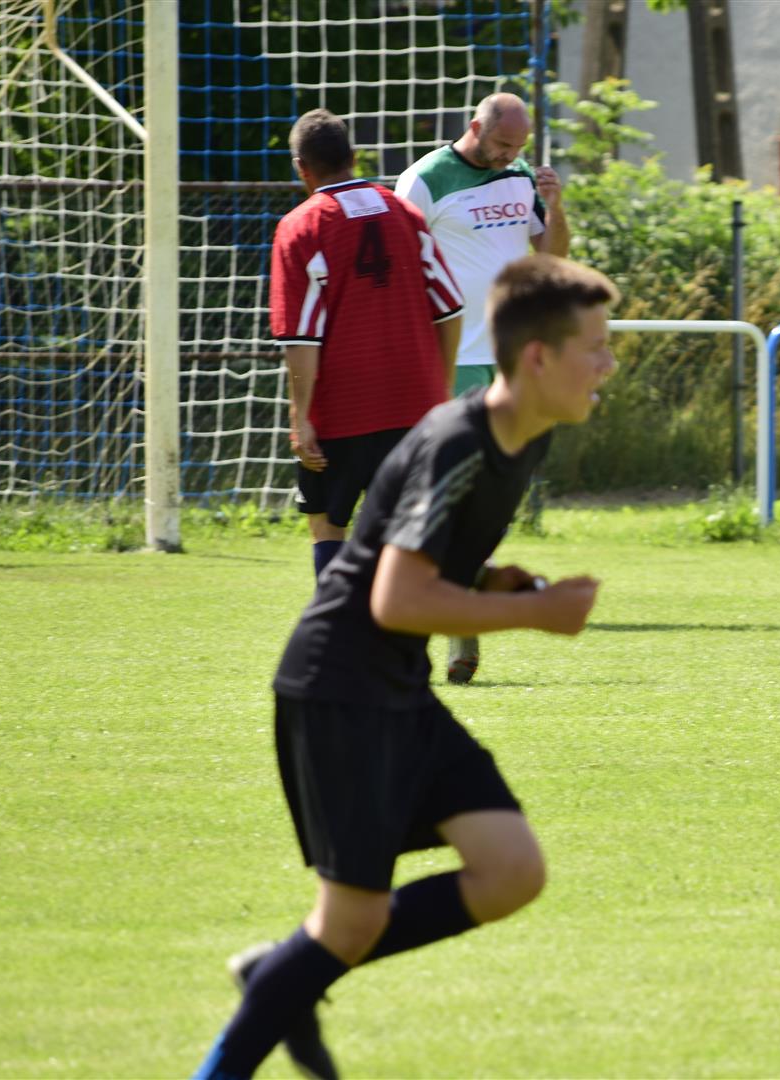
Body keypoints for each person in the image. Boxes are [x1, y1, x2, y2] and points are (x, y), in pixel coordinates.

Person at [194, 254, 619, 1080]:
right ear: (538, 357)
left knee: (510, 871)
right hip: (339, 689)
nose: (607, 363)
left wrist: (491, 582)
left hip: (395, 688)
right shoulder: (458, 442)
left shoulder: (524, 439)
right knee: (348, 923)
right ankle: (281, 987)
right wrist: (535, 614)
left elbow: (421, 563)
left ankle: (287, 969)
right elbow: (394, 598)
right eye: (595, 346)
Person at [395, 91, 572, 683]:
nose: (509, 155)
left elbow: (553, 258)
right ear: (474, 126)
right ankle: (452, 631)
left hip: (512, 364)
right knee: (454, 496)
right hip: (455, 363)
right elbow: (401, 268)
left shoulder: (520, 176)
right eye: (501, 144)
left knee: (493, 499)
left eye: (519, 146)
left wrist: (555, 205)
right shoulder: (424, 180)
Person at [270, 108, 465, 582]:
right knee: (407, 527)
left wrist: (301, 416)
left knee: (327, 524)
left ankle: (339, 622)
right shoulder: (405, 214)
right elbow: (450, 308)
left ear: (301, 168)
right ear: (354, 157)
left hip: (344, 409)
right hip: (414, 405)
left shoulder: (301, 227)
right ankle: (429, 603)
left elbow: (301, 336)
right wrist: (440, 390)